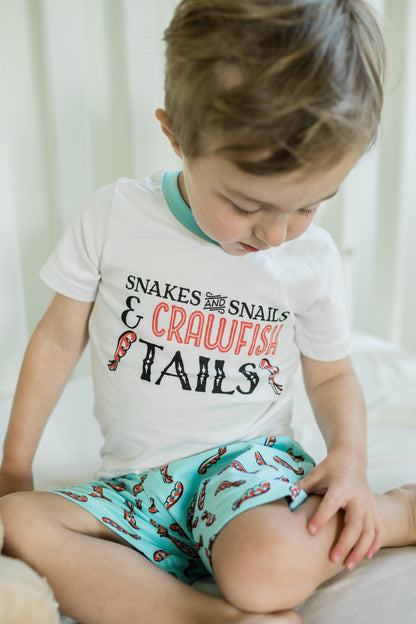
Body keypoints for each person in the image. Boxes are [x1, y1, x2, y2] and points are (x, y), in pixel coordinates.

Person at [0, 1, 415, 622]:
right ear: (176, 137)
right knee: (17, 523)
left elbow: (330, 375)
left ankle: (397, 513)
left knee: (263, 568)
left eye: (309, 206)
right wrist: (14, 466)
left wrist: (350, 465)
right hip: (138, 483)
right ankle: (207, 616)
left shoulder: (311, 259)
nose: (277, 234)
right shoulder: (116, 216)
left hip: (247, 472)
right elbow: (60, 341)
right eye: (248, 204)